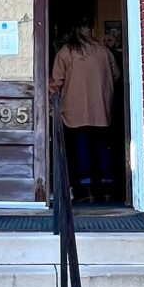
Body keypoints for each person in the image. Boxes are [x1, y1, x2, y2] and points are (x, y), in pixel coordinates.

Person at [49, 24, 118, 201]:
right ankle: (106, 187)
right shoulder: (103, 51)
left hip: (74, 110)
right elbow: (116, 74)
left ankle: (84, 189)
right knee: (102, 147)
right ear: (91, 31)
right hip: (101, 109)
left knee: (80, 149)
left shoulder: (67, 52)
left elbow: (55, 82)